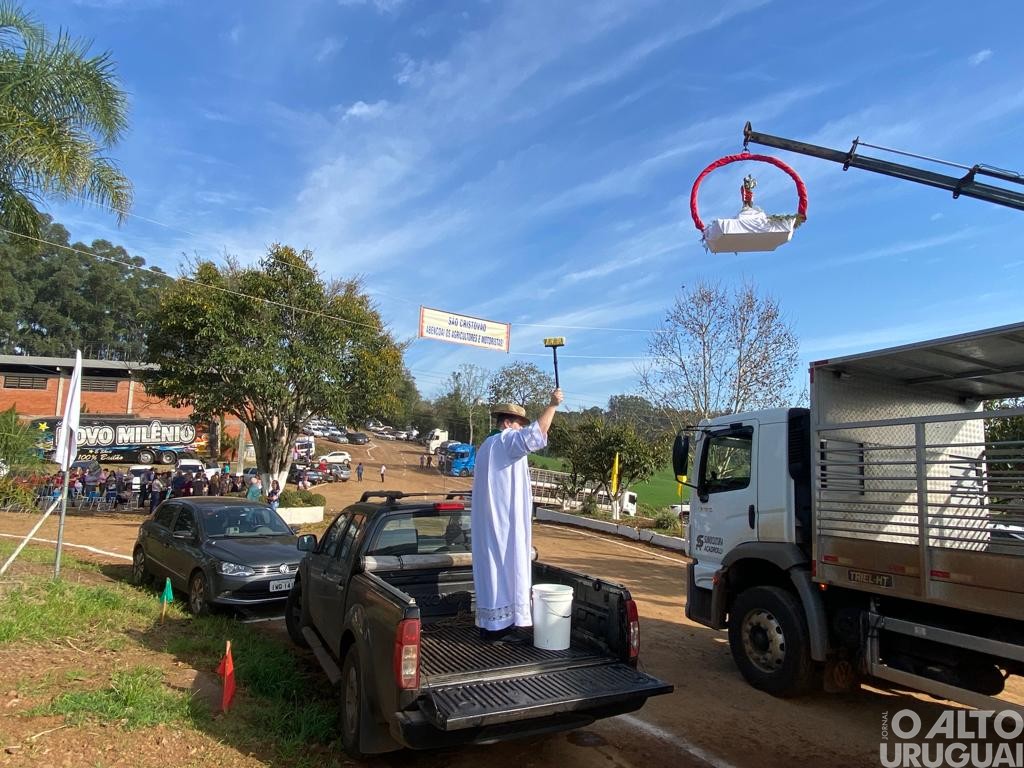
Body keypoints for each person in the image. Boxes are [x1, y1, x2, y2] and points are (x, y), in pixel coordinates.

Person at [472, 389, 563, 644]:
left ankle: (494, 624)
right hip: (503, 522)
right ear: (508, 422)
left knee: (494, 569)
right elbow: (534, 436)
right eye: (519, 423)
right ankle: (498, 629)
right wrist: (552, 405)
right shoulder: (504, 441)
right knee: (504, 567)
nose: (520, 427)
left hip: (493, 522)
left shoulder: (486, 446)